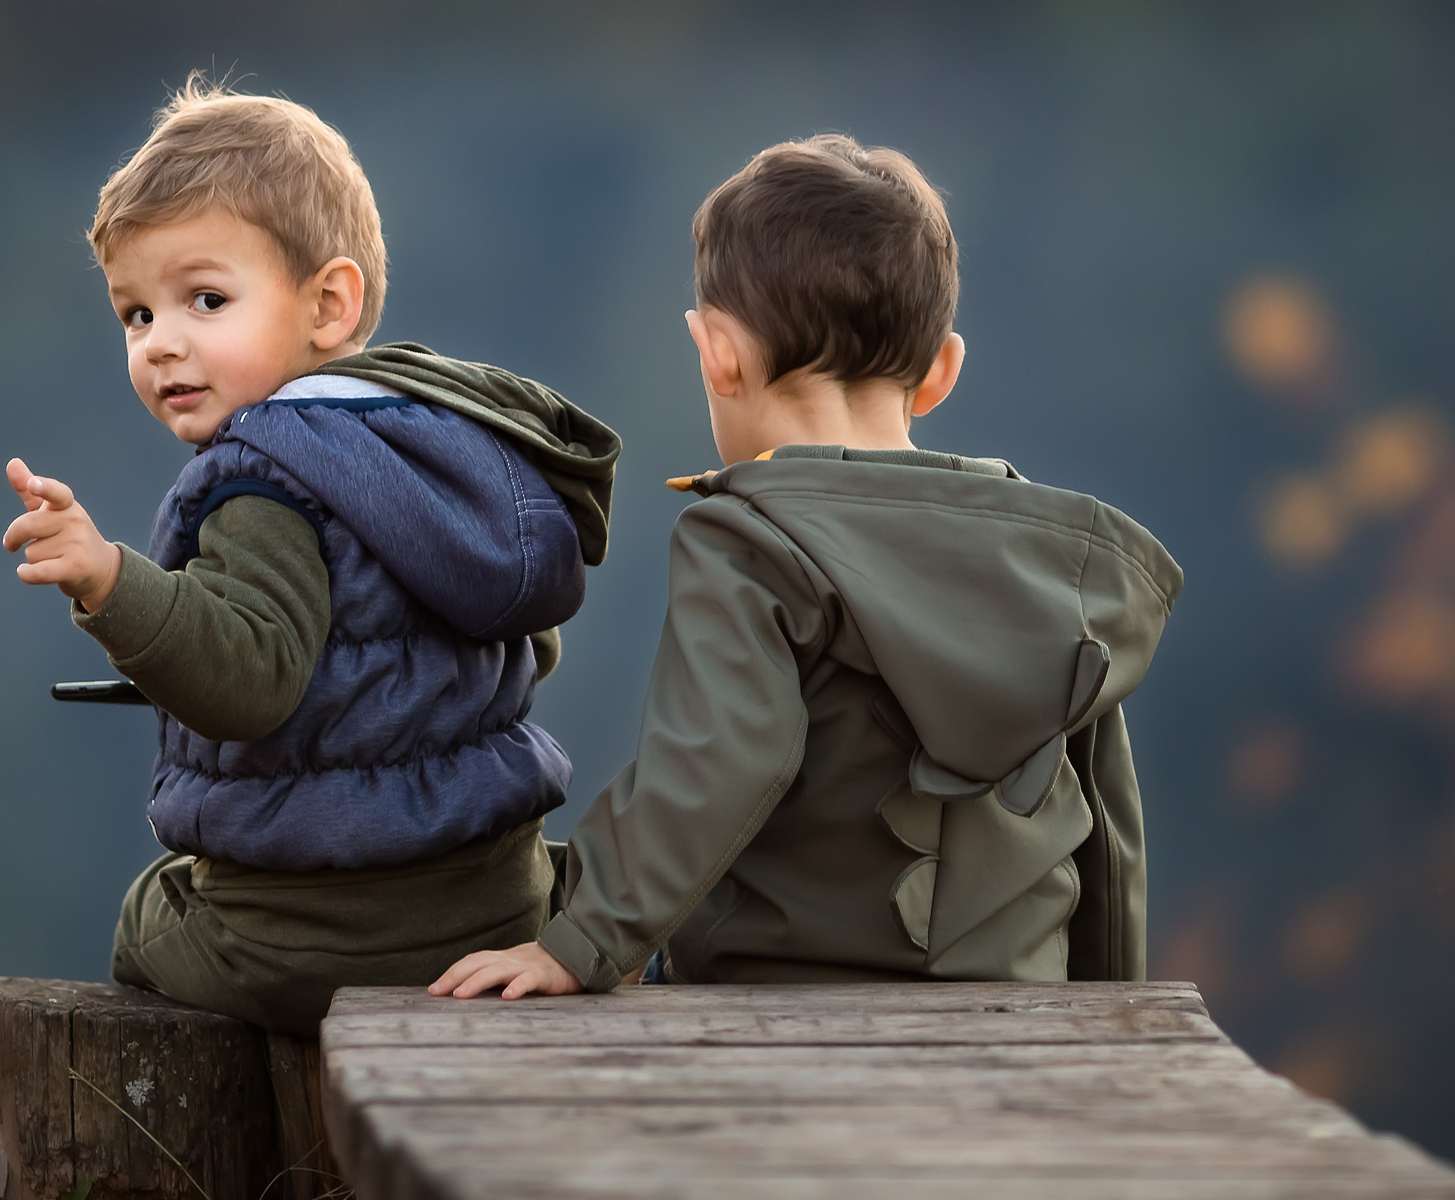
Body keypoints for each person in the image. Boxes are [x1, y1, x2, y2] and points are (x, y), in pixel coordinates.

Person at [434, 134, 1182, 1001]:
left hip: (783, 1003)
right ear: (941, 370)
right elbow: (1106, 826)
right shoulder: (1050, 566)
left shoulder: (748, 540)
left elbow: (716, 761)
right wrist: (1102, 1001)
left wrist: (581, 940)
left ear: (718, 352)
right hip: (1019, 1003)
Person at [1, 79, 620, 1037]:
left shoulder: (262, 480)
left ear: (329, 303)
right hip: (497, 909)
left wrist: (110, 580)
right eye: (136, 315)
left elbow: (250, 681)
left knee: (150, 909)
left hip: (313, 945)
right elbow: (519, 643)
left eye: (204, 299)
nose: (162, 343)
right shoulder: (445, 439)